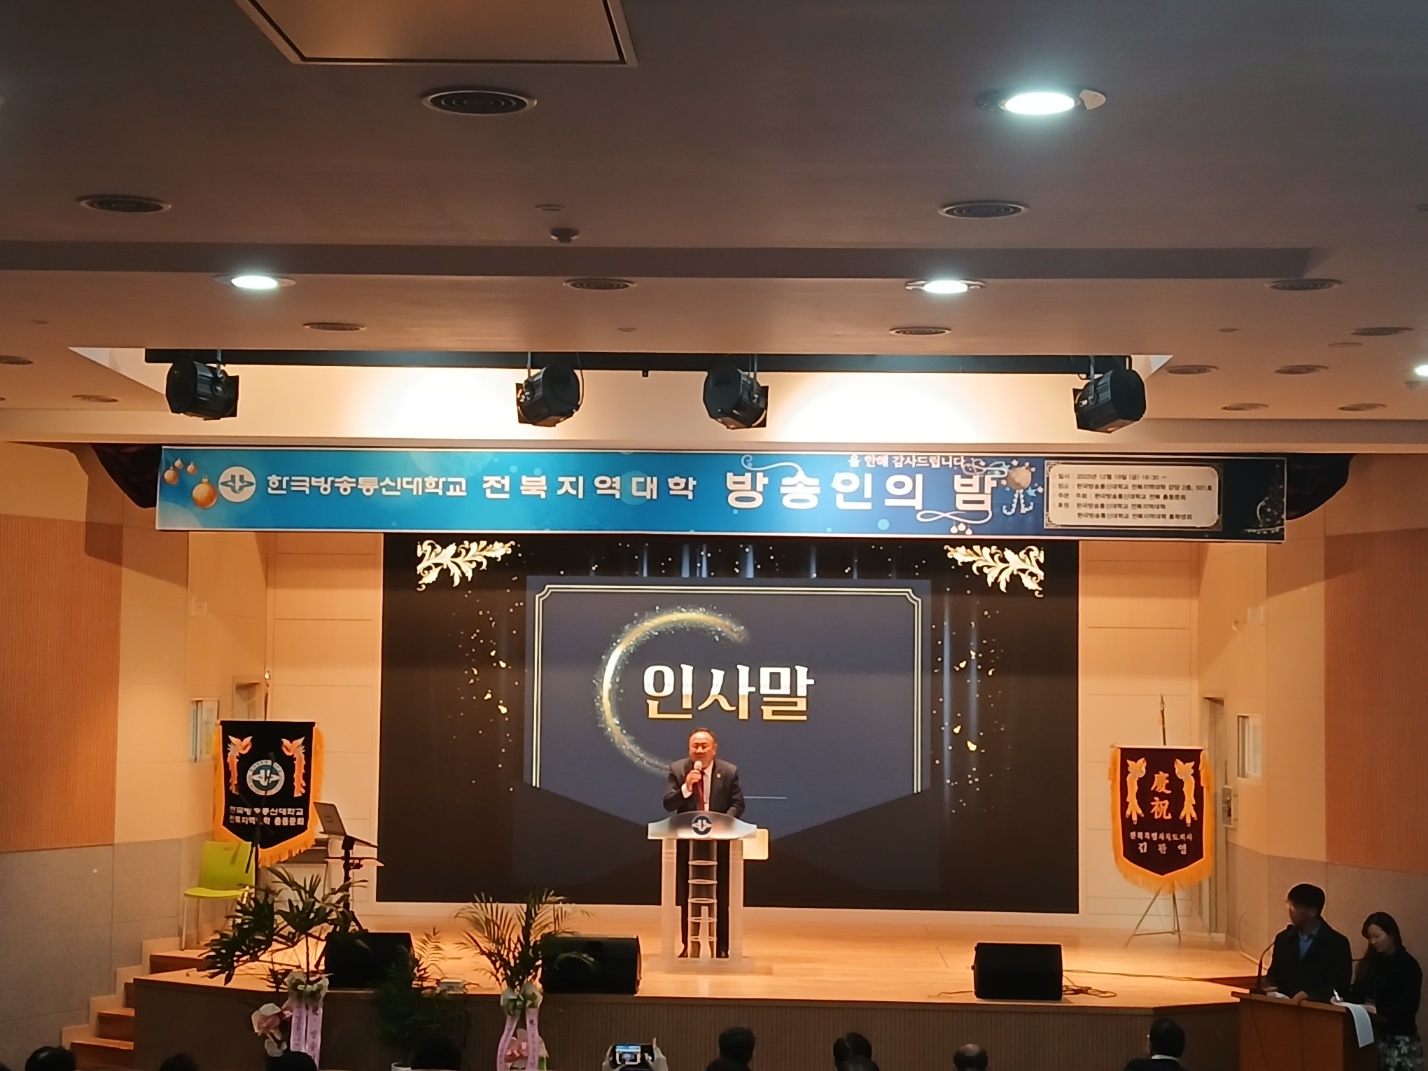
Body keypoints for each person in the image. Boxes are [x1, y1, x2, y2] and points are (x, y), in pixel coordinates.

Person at [663, 728, 745, 957]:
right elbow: (668, 804)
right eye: (695, 746)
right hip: (688, 844)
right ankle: (690, 945)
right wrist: (687, 787)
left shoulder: (728, 771)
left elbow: (738, 804)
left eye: (704, 746)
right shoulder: (678, 770)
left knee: (721, 896)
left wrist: (724, 822)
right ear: (689, 748)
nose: (699, 750)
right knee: (688, 895)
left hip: (719, 843)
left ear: (714, 749)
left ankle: (721, 947)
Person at [1350, 912, 1424, 1071]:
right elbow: (1357, 993)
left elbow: (1409, 1006)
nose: (1373, 942)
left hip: (1399, 1040)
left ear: (1391, 934)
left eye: (1377, 936)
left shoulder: (1407, 965)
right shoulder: (1370, 963)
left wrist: (1377, 1010)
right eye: (1370, 938)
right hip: (1370, 1039)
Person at [1263, 883, 1353, 1003]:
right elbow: (1274, 974)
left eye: (1294, 906)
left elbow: (1341, 986)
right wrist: (1270, 987)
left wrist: (1310, 995)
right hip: (1284, 1006)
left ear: (1312, 911)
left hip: (1318, 1009)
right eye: (1289, 905)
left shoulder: (1336, 943)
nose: (1290, 911)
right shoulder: (1284, 938)